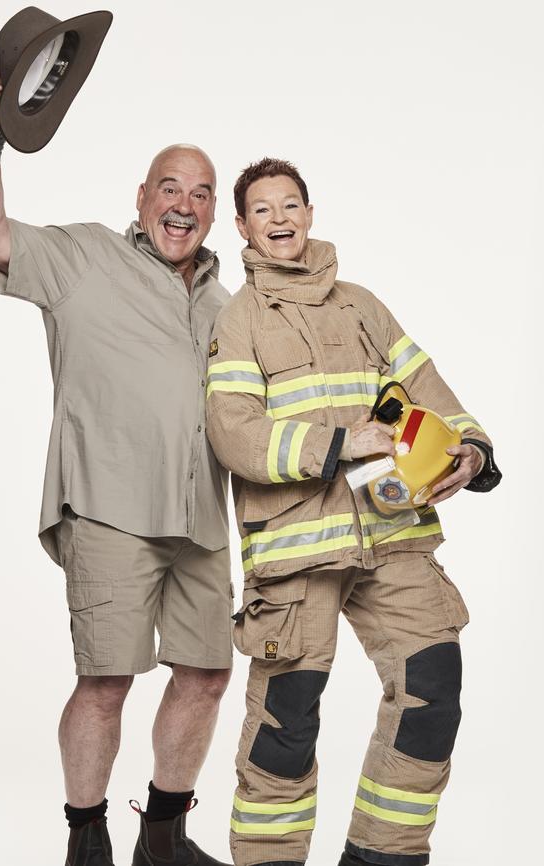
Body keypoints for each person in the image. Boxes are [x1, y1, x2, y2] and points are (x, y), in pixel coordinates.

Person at [0, 68, 233, 866]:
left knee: (207, 675)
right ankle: (86, 839)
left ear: (214, 211)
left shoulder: (229, 302)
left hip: (203, 519)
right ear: (143, 195)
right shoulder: (82, 257)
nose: (184, 204)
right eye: (171, 187)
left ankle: (164, 837)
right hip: (110, 509)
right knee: (107, 682)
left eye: (203, 193)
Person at [206, 157, 501, 866]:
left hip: (395, 535)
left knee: (432, 692)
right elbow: (234, 434)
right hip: (297, 549)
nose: (280, 220)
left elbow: (430, 392)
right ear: (243, 225)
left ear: (310, 214)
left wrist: (471, 451)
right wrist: (338, 442)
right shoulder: (239, 320)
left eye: (291, 206)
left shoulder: (364, 305)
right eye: (263, 210)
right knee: (287, 723)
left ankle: (382, 856)